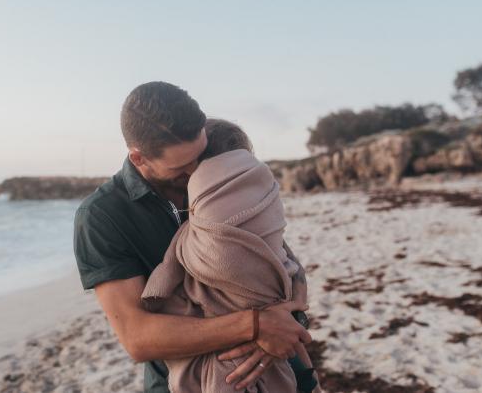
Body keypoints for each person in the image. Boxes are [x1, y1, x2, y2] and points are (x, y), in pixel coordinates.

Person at [74, 82, 311, 393]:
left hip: (281, 365)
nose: (196, 173)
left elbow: (276, 257)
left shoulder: (219, 164)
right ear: (138, 158)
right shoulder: (102, 217)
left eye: (200, 157)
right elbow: (138, 338)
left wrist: (289, 319)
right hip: (186, 383)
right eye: (181, 168)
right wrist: (256, 326)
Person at [141, 119, 319, 392]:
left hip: (237, 354)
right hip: (285, 345)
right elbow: (285, 259)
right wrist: (289, 309)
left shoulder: (202, 226)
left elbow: (178, 267)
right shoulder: (262, 198)